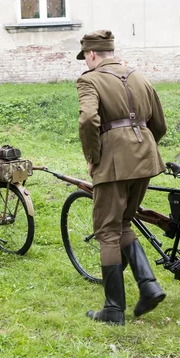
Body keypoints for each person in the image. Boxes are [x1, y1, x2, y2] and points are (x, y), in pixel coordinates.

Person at [75, 30, 168, 325]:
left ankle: (114, 309)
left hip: (114, 161)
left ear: (91, 55)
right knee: (123, 222)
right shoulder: (139, 76)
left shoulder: (89, 79)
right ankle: (149, 286)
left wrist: (92, 157)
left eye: (85, 57)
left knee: (107, 231)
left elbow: (89, 120)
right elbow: (159, 124)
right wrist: (143, 149)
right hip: (145, 158)